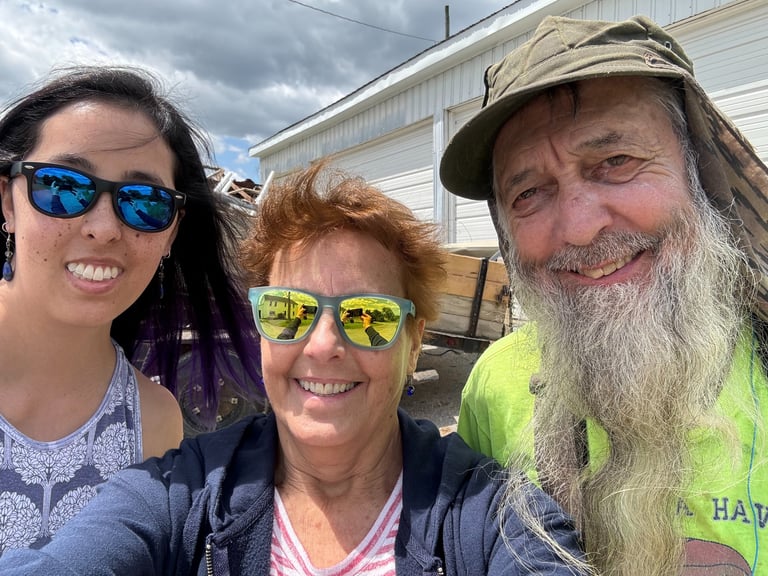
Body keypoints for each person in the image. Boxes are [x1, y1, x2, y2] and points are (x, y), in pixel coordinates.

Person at [0, 162, 586, 575]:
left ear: (413, 344)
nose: (323, 345)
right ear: (260, 331)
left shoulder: (491, 517)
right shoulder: (183, 493)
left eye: (367, 316)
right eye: (288, 312)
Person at [440, 14, 768, 576]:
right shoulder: (494, 386)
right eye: (529, 192)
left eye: (616, 162)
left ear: (698, 172)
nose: (580, 226)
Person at [0, 66, 261, 552]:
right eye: (63, 186)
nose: (103, 228)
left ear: (172, 231)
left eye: (145, 201)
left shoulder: (153, 421)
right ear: (8, 202)